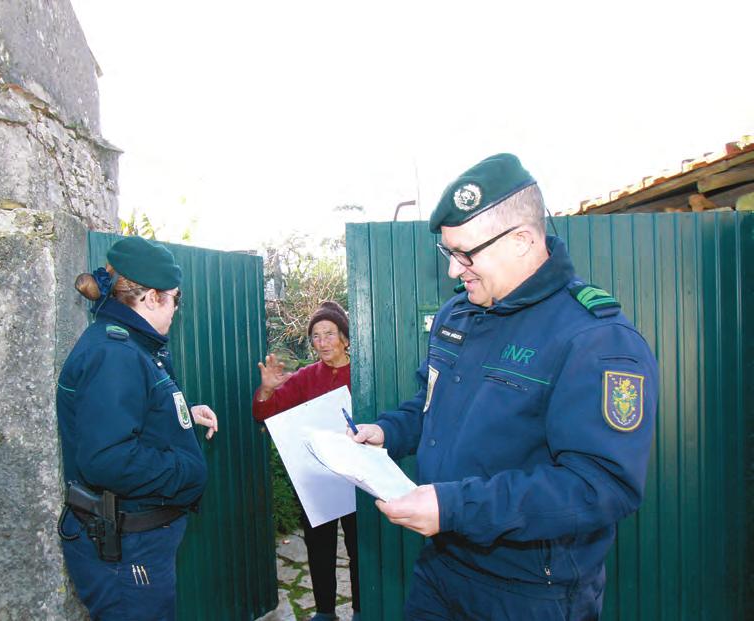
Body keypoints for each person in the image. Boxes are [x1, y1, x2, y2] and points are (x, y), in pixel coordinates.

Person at [351, 153, 658, 620]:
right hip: (443, 566)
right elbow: (431, 404)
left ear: (521, 240)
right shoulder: (460, 315)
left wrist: (456, 506)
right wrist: (388, 432)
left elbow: (601, 485)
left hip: (531, 591)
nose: (455, 270)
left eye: (466, 254)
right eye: (449, 253)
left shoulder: (595, 339)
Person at [56, 236, 219, 621]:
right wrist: (188, 473)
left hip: (138, 545)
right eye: (175, 298)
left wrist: (180, 413)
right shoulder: (115, 354)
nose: (177, 309)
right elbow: (107, 459)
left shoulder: (129, 343)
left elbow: (122, 412)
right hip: (130, 553)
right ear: (150, 298)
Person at [253, 301, 360, 621]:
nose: (323, 342)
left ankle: (360, 608)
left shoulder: (365, 371)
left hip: (357, 477)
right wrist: (268, 391)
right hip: (317, 479)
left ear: (345, 338)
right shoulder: (304, 377)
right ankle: (326, 611)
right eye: (316, 336)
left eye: (329, 334)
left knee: (359, 548)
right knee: (319, 547)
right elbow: (263, 414)